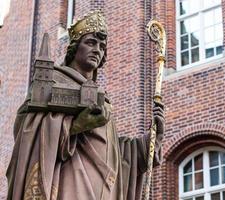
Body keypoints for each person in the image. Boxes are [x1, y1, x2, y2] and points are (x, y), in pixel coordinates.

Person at [6, 10, 165, 200]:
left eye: (102, 46)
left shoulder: (101, 99)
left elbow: (111, 154)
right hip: (69, 184)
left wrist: (146, 145)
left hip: (104, 192)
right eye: (90, 42)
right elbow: (28, 131)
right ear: (74, 47)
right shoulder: (54, 82)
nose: (98, 49)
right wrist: (76, 126)